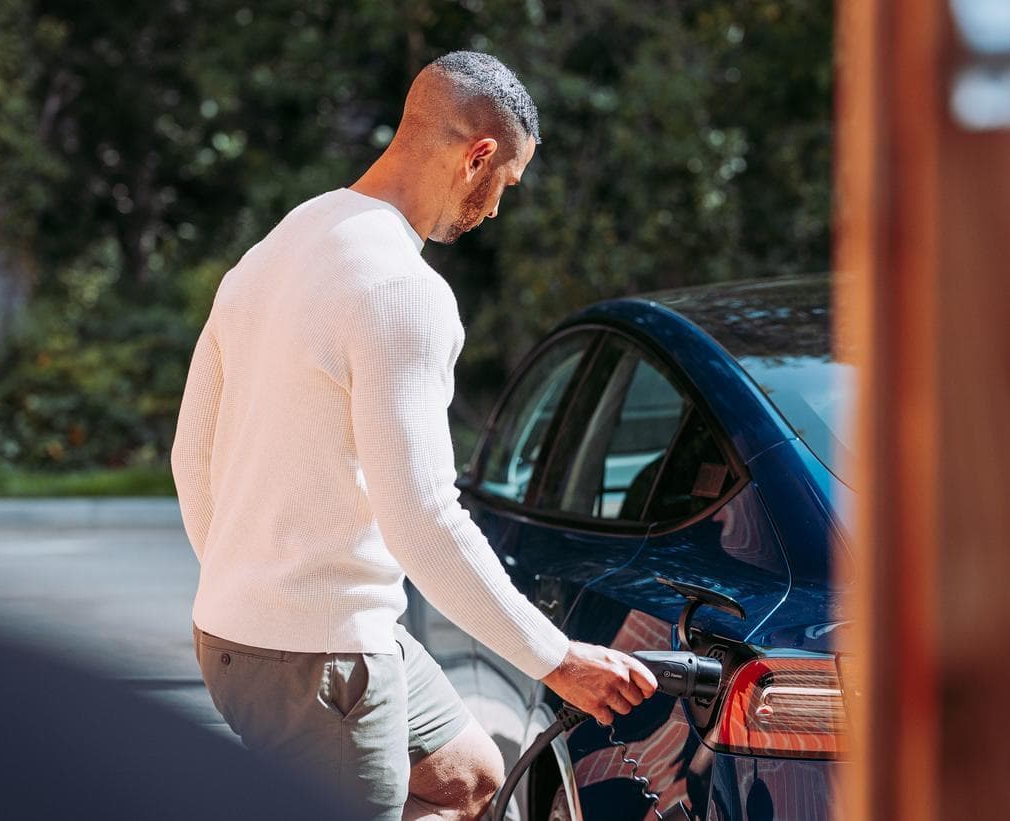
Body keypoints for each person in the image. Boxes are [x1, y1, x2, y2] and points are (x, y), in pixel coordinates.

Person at [170, 50, 657, 821]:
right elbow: (423, 518)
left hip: (239, 636)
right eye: (506, 185)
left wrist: (247, 593)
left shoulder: (281, 244)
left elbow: (189, 455)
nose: (495, 210)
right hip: (322, 658)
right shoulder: (404, 293)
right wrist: (556, 659)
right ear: (478, 157)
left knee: (472, 779)